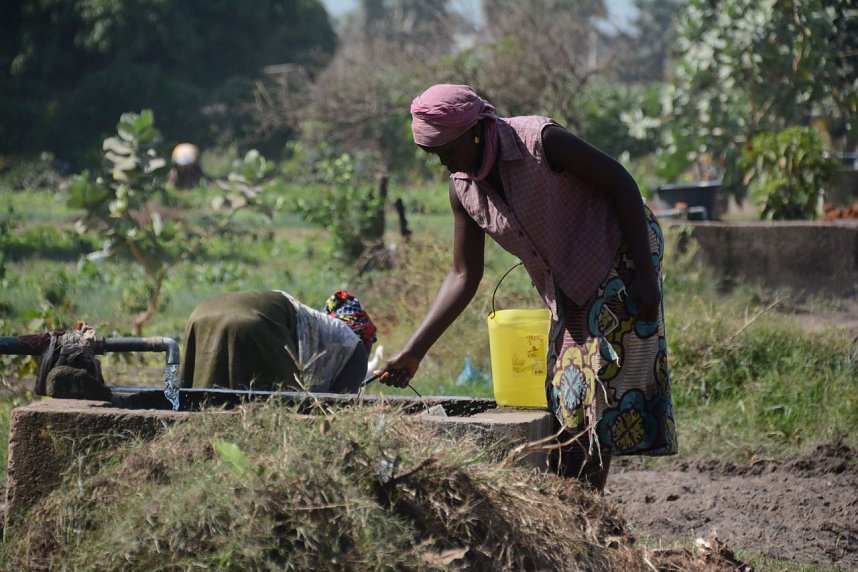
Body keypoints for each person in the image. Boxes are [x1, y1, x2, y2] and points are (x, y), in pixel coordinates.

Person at [375, 84, 677, 490]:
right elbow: (464, 275)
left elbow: (622, 183)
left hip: (619, 252)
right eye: (434, 154)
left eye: (447, 149)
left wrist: (644, 274)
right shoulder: (462, 187)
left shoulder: (540, 141)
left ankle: (585, 506)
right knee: (565, 389)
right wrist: (415, 351)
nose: (443, 161)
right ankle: (579, 504)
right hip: (566, 280)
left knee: (595, 392)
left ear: (475, 131)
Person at [181, 289, 377, 393]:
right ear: (365, 340)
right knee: (280, 409)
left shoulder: (312, 326)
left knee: (203, 401)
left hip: (201, 313)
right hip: (256, 321)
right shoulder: (356, 349)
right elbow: (333, 417)